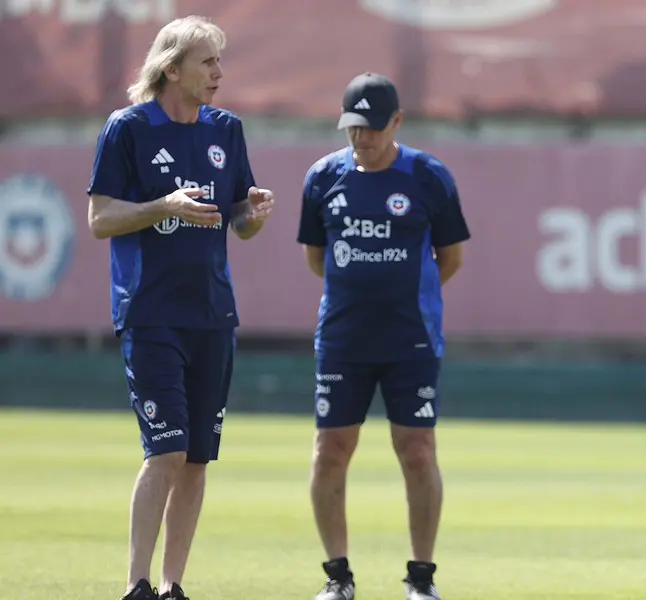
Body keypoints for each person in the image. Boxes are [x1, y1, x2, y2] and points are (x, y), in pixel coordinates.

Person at [86, 15, 274, 600]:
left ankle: (172, 586)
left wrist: (253, 215)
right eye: (207, 62)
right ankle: (137, 584)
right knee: (165, 448)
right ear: (172, 68)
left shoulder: (226, 131)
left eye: (219, 62)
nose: (218, 73)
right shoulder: (127, 129)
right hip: (150, 312)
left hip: (213, 314)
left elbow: (237, 220)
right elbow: (100, 219)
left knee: (195, 459)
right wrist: (161, 204)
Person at [297, 72, 470, 600]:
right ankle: (337, 577)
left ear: (396, 122)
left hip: (410, 338)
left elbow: (451, 258)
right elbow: (316, 258)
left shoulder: (428, 177)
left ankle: (421, 580)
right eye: (352, 127)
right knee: (331, 451)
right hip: (343, 339)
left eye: (372, 127)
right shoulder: (323, 177)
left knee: (416, 450)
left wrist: (402, 295)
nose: (361, 138)